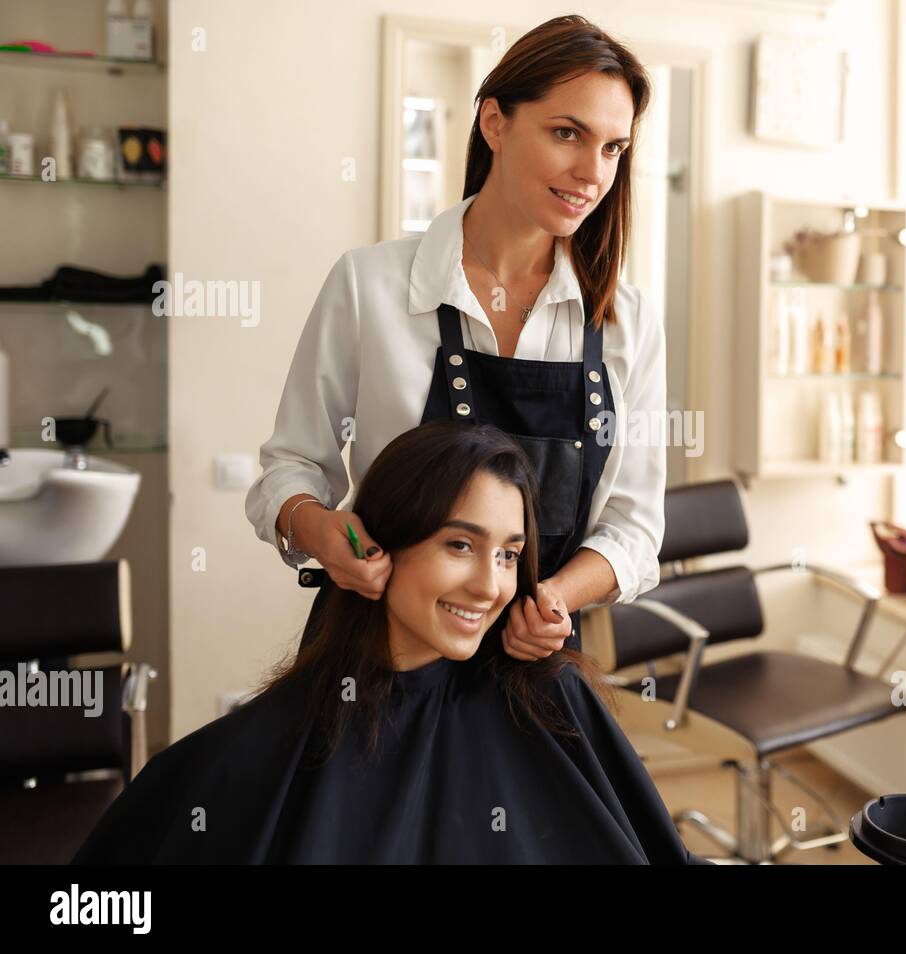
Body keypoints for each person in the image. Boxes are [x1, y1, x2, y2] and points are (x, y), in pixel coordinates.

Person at [75, 421, 709, 864]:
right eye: (459, 545)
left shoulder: (553, 699)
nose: (490, 586)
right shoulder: (272, 744)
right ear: (380, 547)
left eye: (510, 554)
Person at [243, 14, 666, 664]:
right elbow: (291, 466)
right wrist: (320, 529)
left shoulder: (625, 322)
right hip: (378, 660)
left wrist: (550, 598)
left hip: (531, 669)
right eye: (566, 134)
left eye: (613, 148)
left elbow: (635, 531)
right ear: (494, 122)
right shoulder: (369, 285)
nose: (591, 172)